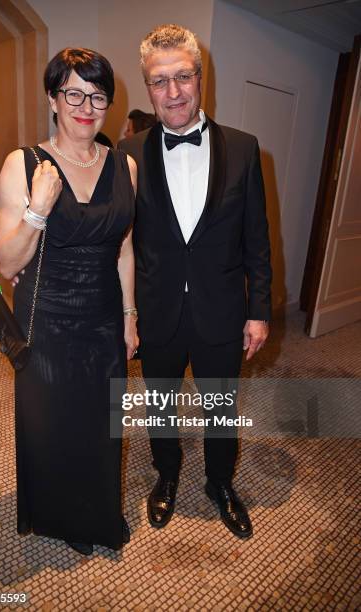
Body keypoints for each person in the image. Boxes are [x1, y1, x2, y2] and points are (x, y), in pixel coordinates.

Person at [119, 24, 271, 539]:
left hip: (223, 311)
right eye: (160, 81)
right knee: (160, 403)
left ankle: (220, 483)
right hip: (157, 310)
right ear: (148, 88)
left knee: (221, 409)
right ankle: (165, 476)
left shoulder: (246, 150)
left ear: (200, 78)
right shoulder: (129, 154)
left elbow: (257, 240)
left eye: (183, 76)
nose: (174, 92)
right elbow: (120, 244)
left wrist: (260, 310)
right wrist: (126, 314)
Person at [0, 47, 138, 555]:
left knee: (101, 421)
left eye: (98, 95)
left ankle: (98, 508)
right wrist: (38, 208)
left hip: (103, 316)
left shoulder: (126, 166)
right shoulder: (24, 163)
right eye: (73, 92)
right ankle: (63, 515)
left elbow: (124, 248)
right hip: (47, 318)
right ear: (53, 99)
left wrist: (129, 315)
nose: (86, 105)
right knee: (54, 423)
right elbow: (7, 265)